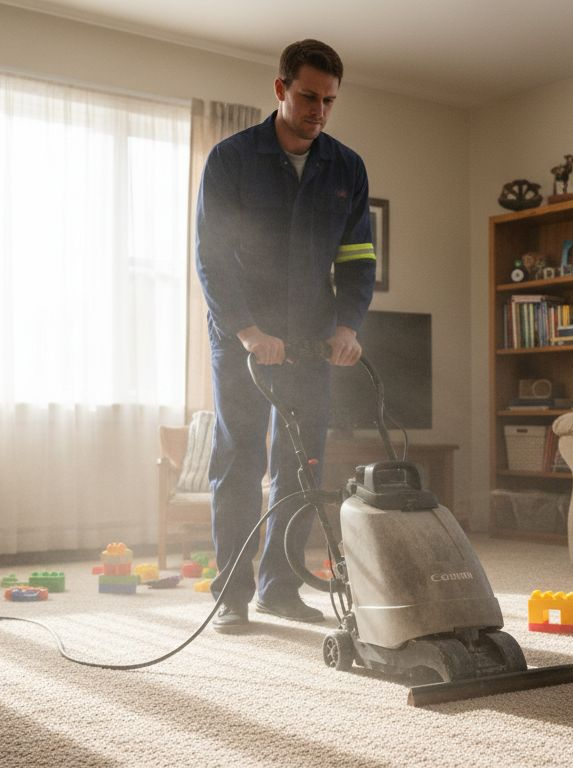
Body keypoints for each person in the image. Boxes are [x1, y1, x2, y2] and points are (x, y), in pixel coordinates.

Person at [194, 39, 376, 633]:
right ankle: (231, 595)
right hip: (243, 333)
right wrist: (246, 329)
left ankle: (278, 587)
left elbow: (356, 258)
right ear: (280, 89)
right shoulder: (231, 159)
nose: (318, 110)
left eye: (328, 100)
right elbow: (212, 255)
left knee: (302, 465)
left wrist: (348, 325)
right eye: (307, 96)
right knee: (240, 459)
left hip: (310, 336)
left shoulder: (346, 167)